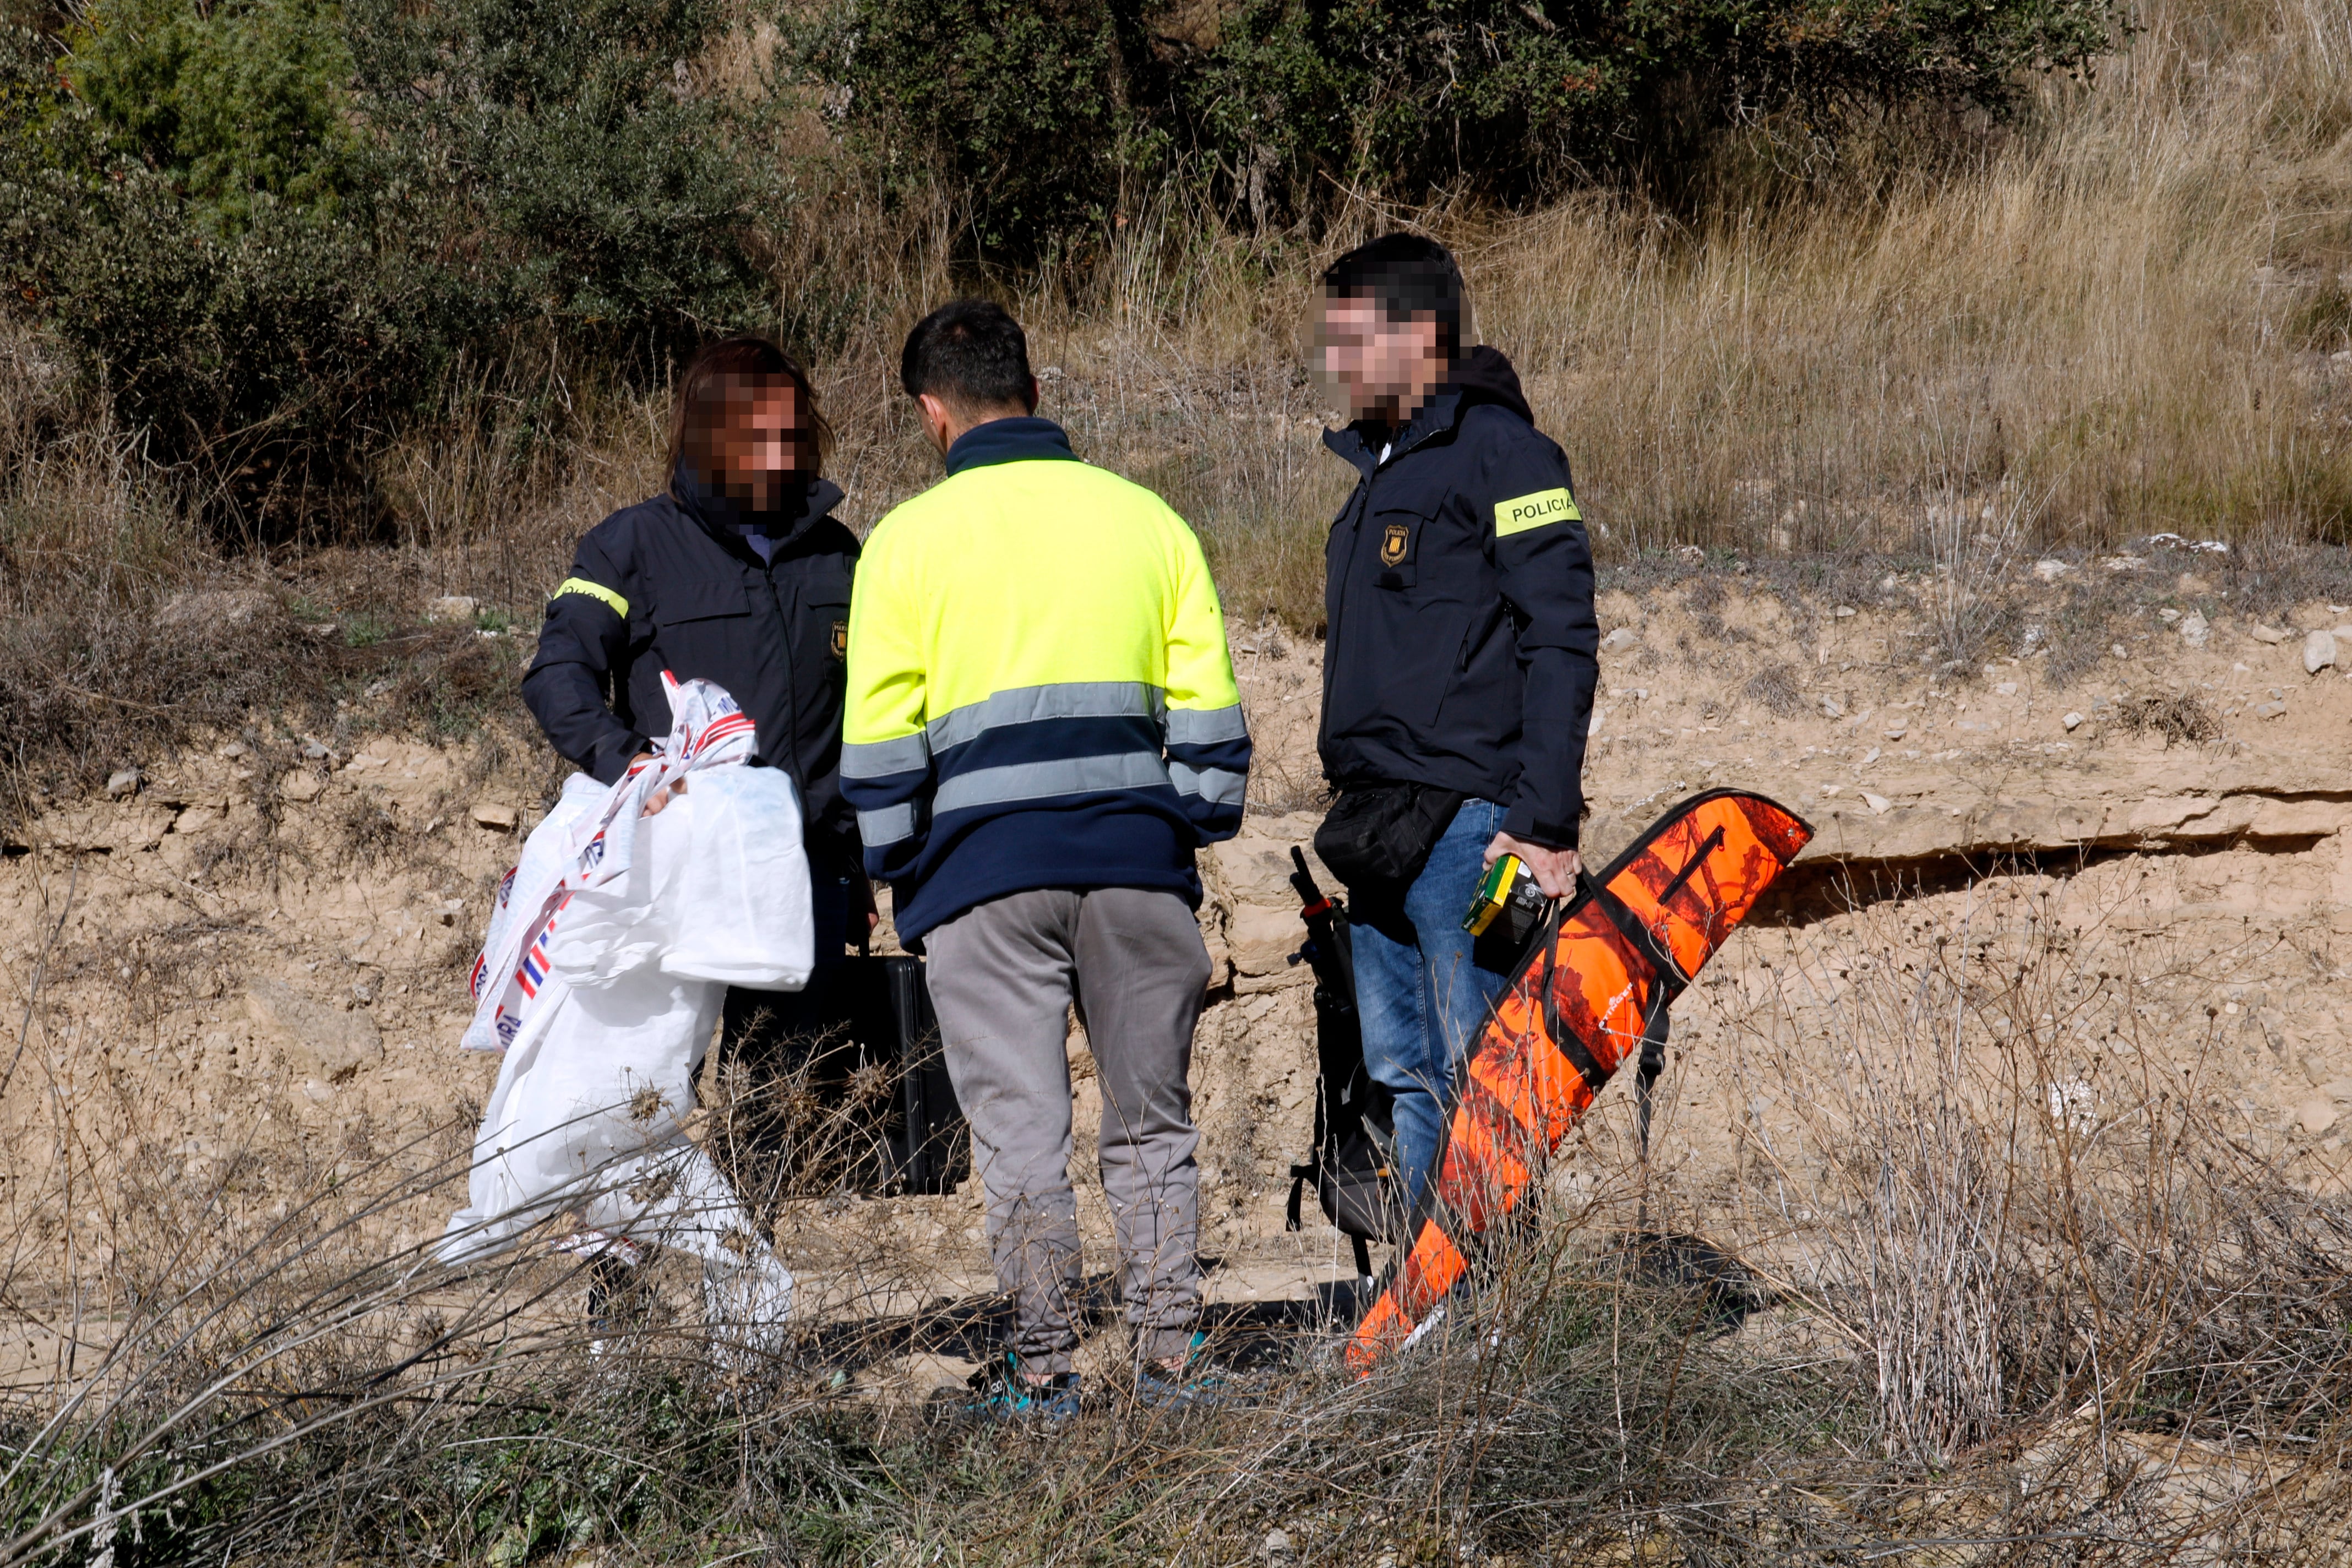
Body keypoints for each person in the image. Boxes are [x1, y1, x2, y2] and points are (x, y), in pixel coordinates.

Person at [841, 300, 1251, 1416]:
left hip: (981, 882)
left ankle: (1047, 1371)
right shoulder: (1147, 521)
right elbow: (1212, 729)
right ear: (1030, 385)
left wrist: (899, 870)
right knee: (1152, 1123)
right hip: (1136, 869)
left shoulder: (906, 544)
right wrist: (1189, 825)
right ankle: (1173, 1361)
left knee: (1022, 1133)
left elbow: (878, 744)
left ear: (934, 413)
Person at [523, 334, 872, 1227]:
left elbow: (869, 714)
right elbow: (557, 676)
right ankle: (625, 1331)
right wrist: (631, 769)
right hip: (669, 875)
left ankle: (742, 1321)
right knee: (639, 1104)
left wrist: (863, 861)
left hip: (803, 876)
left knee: (776, 1105)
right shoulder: (630, 545)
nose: (777, 454)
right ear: (702, 436)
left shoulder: (840, 555)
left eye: (791, 435)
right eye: (754, 436)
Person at [1310, 234, 1599, 1217]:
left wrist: (1546, 821)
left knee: (1484, 1075)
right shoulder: (1378, 473)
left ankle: (1493, 1305)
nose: (1335, 362)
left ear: (1420, 336)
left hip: (1470, 833)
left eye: (1352, 339)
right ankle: (1439, 1302)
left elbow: (1561, 640)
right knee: (1404, 1077)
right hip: (1375, 829)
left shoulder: (1507, 453)